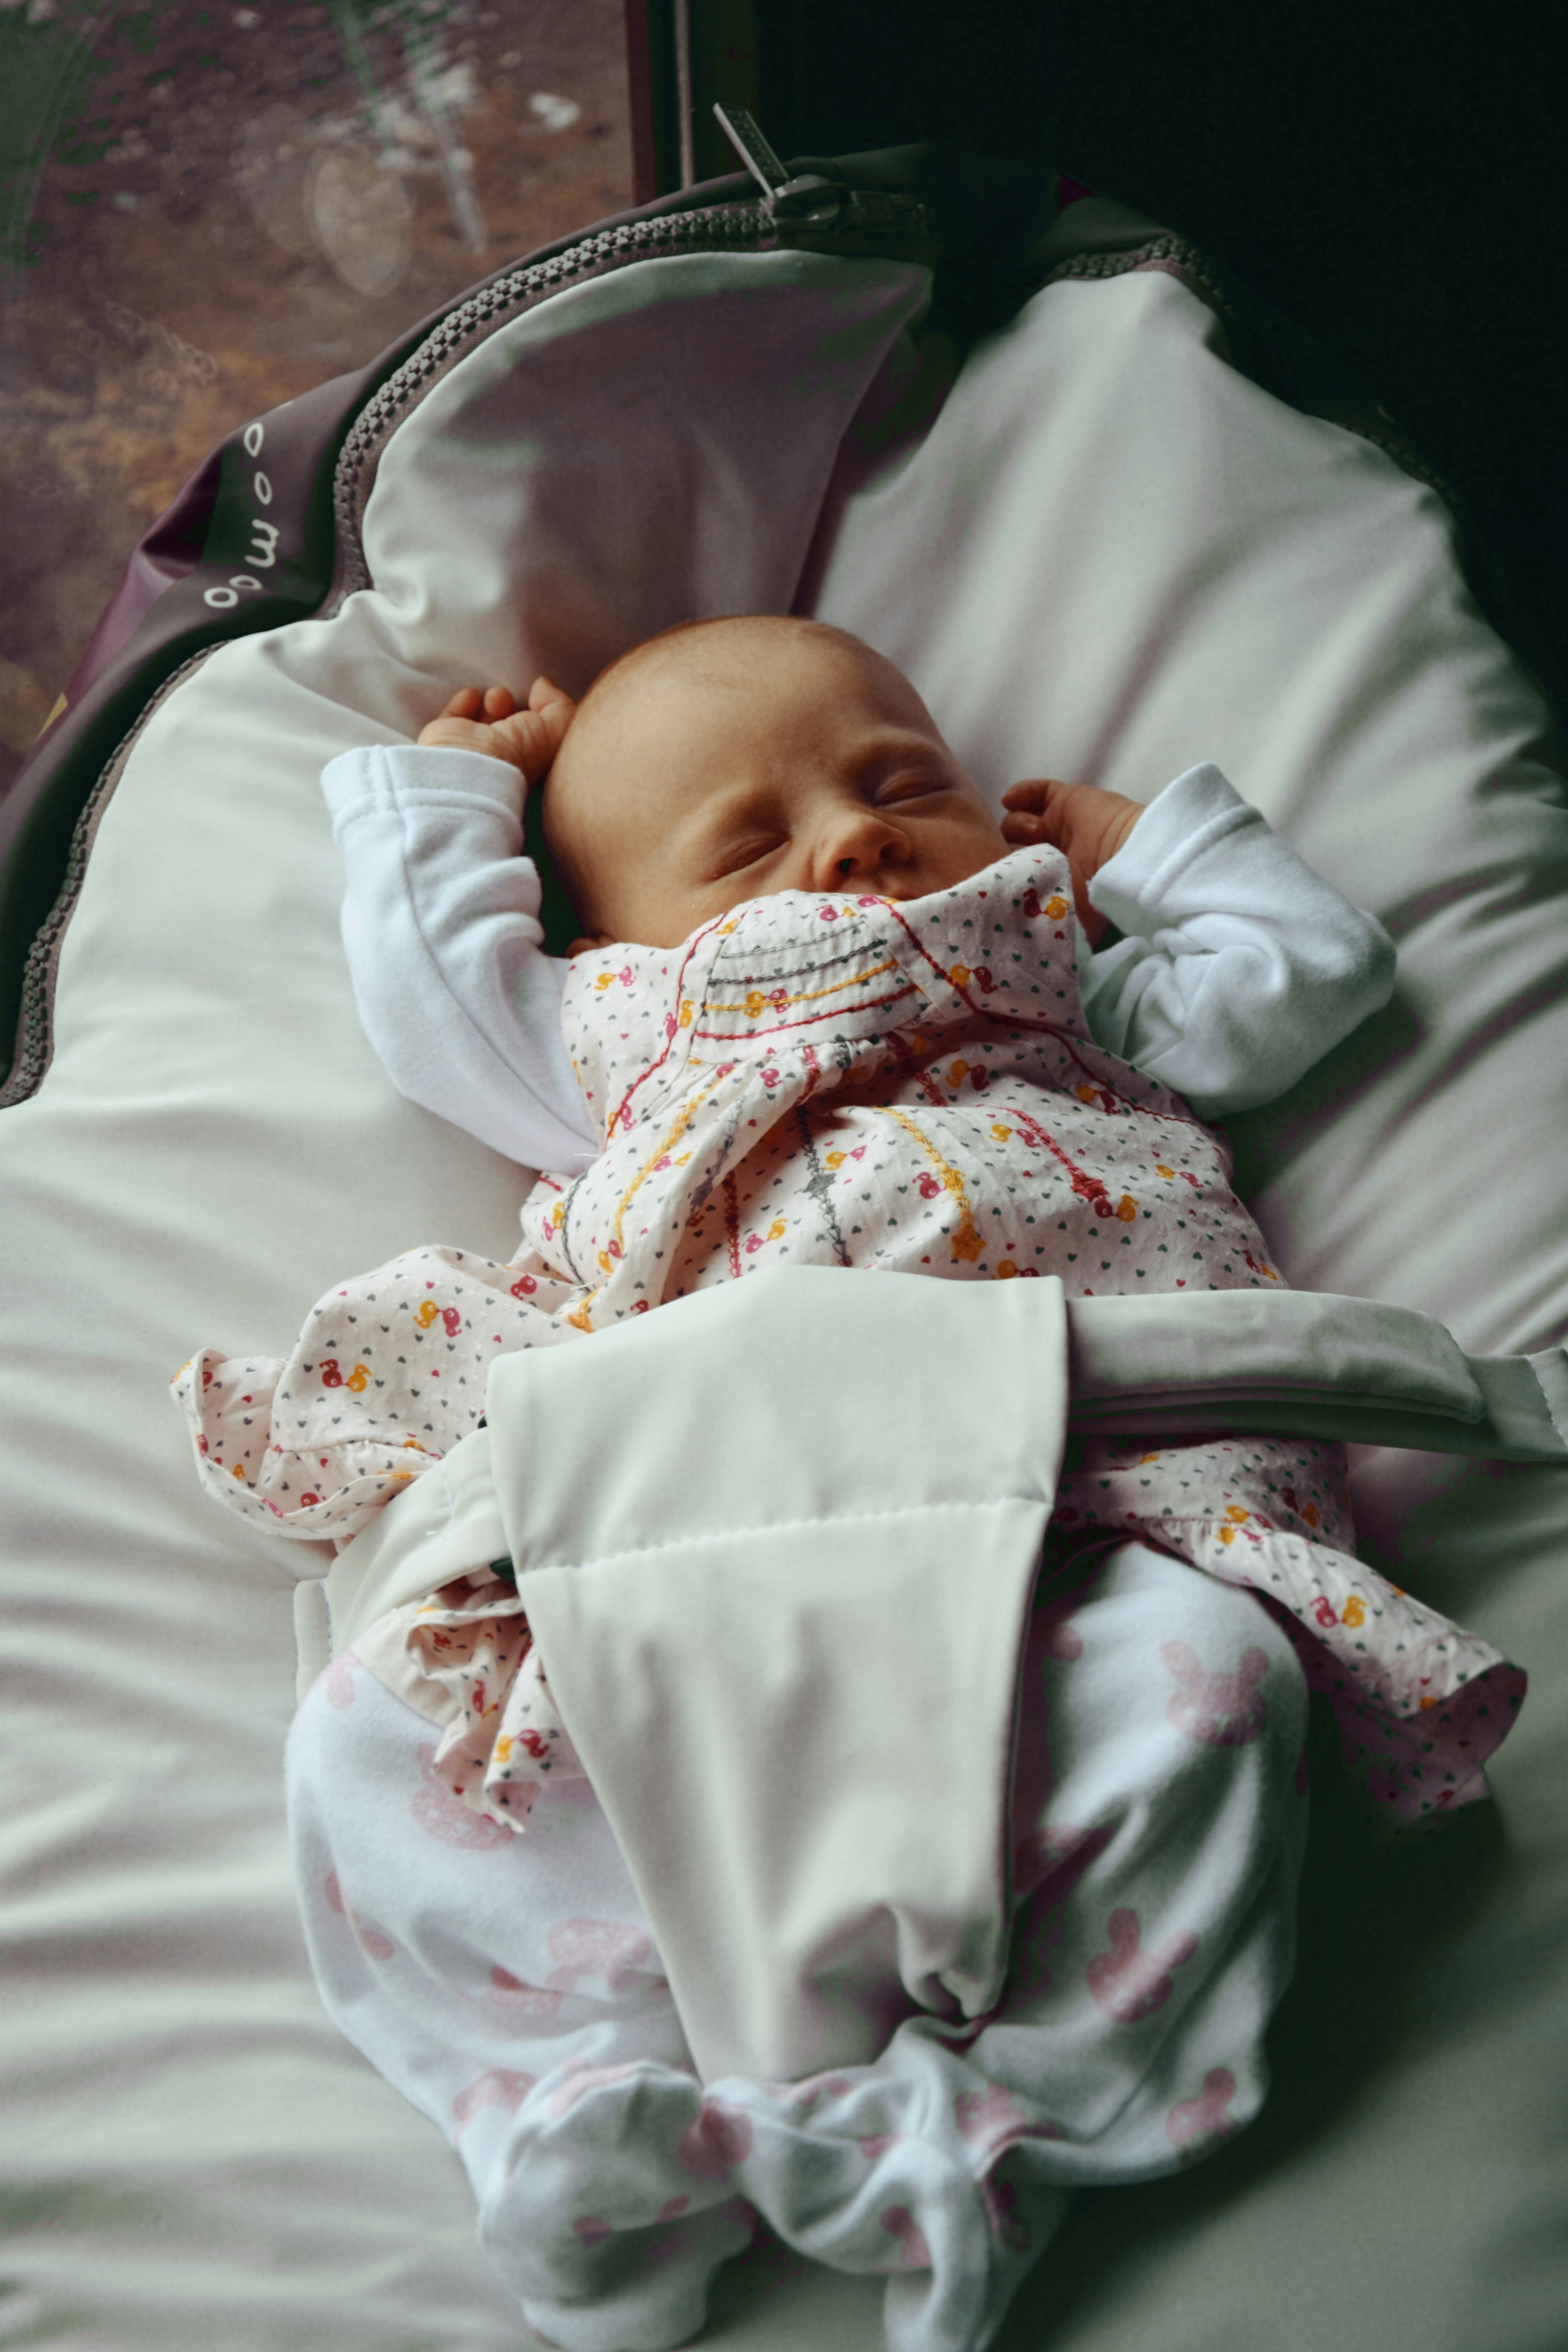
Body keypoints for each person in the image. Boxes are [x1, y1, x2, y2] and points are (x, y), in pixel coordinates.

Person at [172, 615, 1524, 2352]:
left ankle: (1004, 2110)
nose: (853, 838)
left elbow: (1308, 970)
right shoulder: (622, 1031)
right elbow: (439, 999)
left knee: (1215, 1687)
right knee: (372, 1739)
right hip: (698, 1529)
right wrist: (451, 798)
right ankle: (562, 2106)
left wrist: (1147, 853)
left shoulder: (1062, 983)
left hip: (1078, 1518)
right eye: (746, 840)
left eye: (905, 785)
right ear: (608, 930)